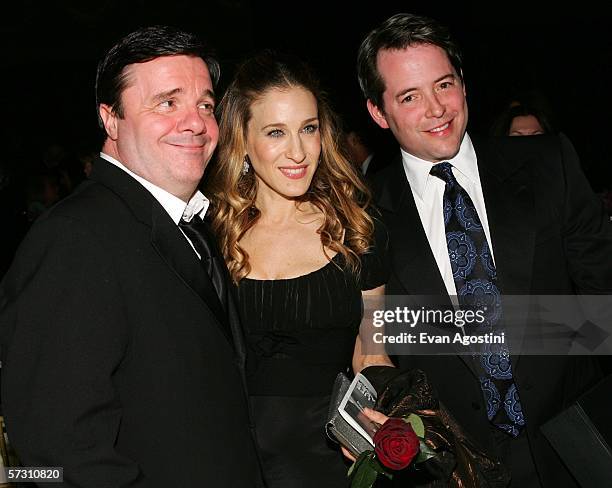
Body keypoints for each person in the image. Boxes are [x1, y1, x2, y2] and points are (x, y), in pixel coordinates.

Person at [356, 13, 612, 487]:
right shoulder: (362, 212)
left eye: (444, 85)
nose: (436, 109)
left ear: (463, 83)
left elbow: (604, 296)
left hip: (575, 449)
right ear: (378, 111)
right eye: (410, 97)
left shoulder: (546, 164)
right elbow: (378, 341)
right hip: (454, 468)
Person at [0, 26, 263, 487]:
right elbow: (56, 452)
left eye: (205, 104)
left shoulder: (191, 224)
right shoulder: (74, 239)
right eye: (167, 102)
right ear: (111, 119)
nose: (196, 121)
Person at [205, 50, 393, 487]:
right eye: (275, 132)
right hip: (232, 459)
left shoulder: (360, 229)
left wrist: (379, 420)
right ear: (243, 141)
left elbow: (372, 350)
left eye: (308, 128)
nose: (298, 151)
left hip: (331, 462)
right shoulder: (211, 238)